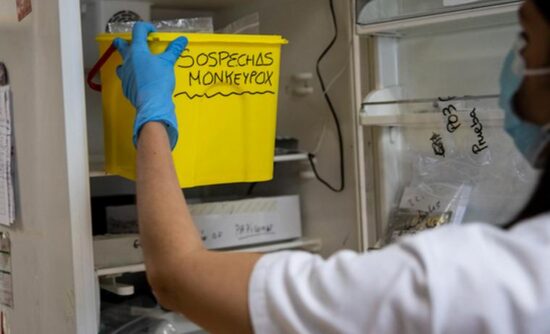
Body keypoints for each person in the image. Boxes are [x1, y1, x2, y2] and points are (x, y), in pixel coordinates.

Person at [112, 0, 550, 332]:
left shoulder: (475, 280)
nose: (513, 59)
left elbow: (175, 277)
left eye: (526, 40)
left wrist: (153, 113)